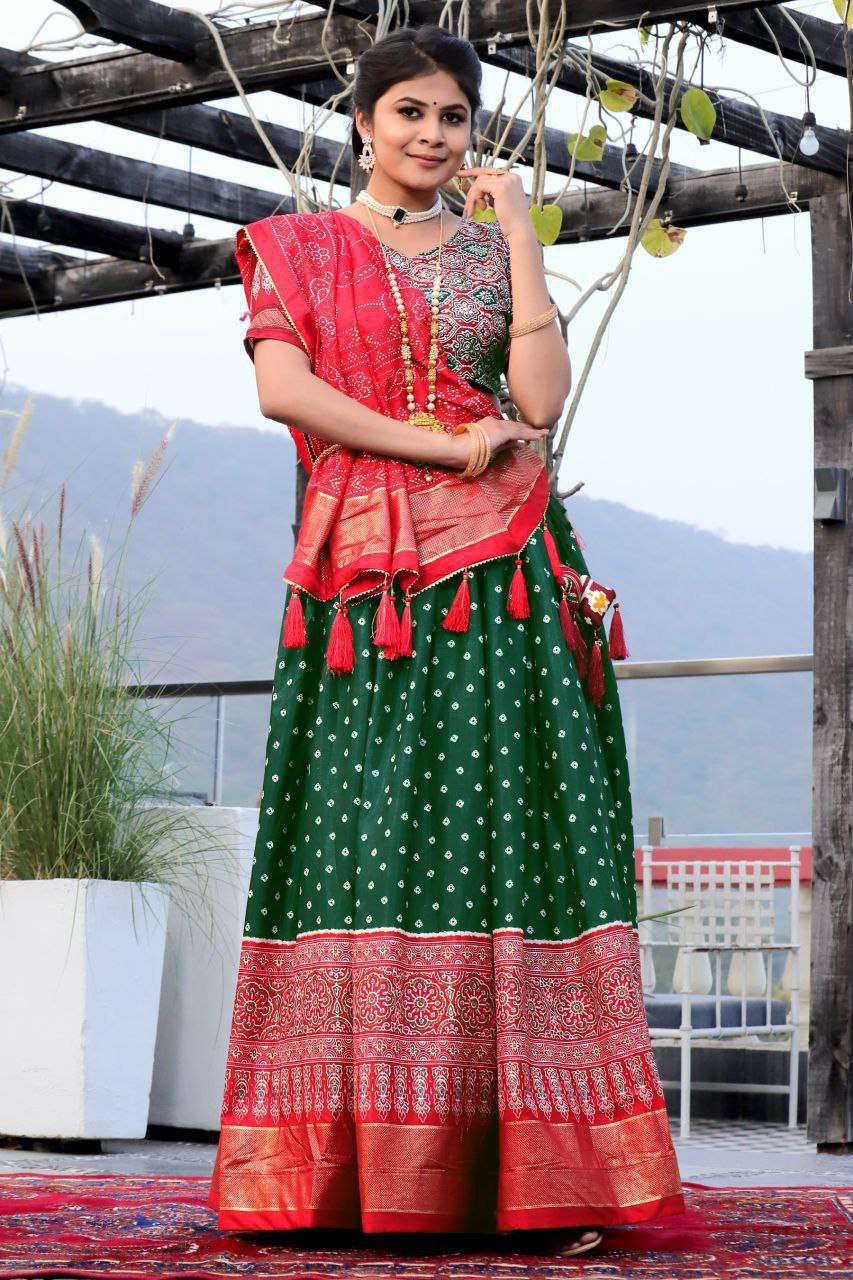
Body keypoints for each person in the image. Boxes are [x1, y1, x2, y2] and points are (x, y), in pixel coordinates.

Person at [208, 22, 685, 1254]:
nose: (431, 135)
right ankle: (348, 1172)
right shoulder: (296, 246)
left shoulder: (486, 249)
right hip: (367, 579)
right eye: (409, 112)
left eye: (453, 116)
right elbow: (284, 391)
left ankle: (538, 1173)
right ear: (363, 121)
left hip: (505, 574)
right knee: (363, 830)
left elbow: (539, 401)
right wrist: (444, 447)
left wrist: (519, 236)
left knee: (506, 831)